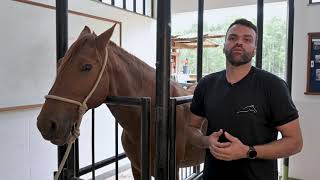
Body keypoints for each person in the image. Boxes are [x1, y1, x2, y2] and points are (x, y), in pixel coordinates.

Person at [188, 18, 303, 180]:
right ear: (224, 45)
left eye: (247, 39)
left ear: (254, 49)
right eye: (233, 38)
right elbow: (191, 128)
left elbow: (295, 142)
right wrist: (205, 141)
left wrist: (247, 151)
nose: (239, 43)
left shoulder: (273, 86)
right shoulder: (206, 84)